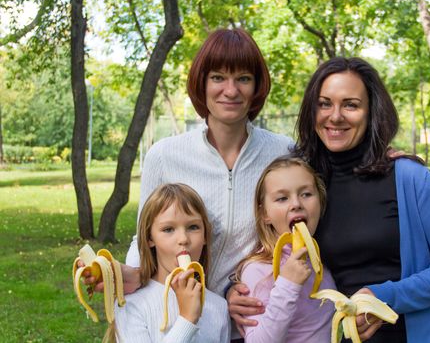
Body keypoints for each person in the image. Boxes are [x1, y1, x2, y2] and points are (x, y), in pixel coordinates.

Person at [228, 57, 430, 343]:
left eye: (351, 105)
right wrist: (235, 291)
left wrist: (385, 297)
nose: (335, 116)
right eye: (324, 103)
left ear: (371, 112)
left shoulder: (409, 177)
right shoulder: (305, 183)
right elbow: (271, 251)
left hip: (413, 333)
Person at [123, 27, 293, 299]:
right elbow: (143, 237)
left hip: (254, 321)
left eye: (244, 78)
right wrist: (133, 272)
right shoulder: (164, 156)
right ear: (202, 83)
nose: (231, 90)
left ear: (257, 86)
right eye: (218, 77)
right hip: (180, 316)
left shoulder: (284, 152)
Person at [234, 155, 336, 342]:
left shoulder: (323, 259)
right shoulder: (258, 270)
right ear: (265, 213)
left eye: (306, 194)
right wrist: (288, 283)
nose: (296, 204)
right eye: (282, 198)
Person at [111, 183, 230, 342]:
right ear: (149, 238)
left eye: (193, 227)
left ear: (205, 236)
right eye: (168, 229)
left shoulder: (219, 307)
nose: (183, 239)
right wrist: (187, 320)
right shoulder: (131, 305)